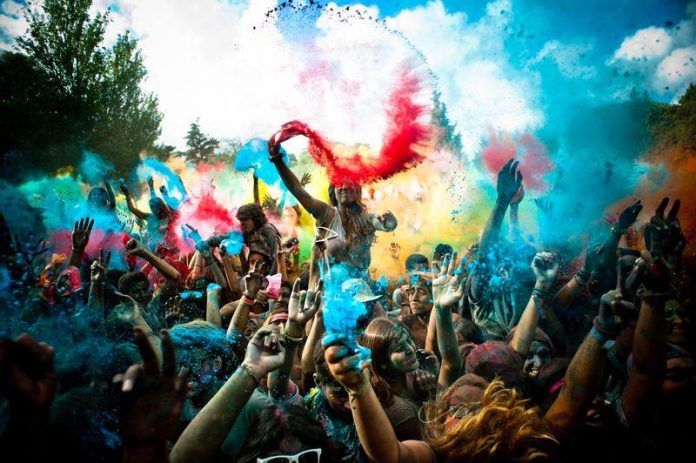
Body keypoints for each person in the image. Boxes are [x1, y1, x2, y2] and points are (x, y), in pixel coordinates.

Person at [269, 121, 397, 287]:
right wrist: (277, 160)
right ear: (333, 190)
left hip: (362, 293)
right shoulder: (326, 214)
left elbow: (387, 225)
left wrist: (389, 221)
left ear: (357, 190)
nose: (345, 187)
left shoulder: (367, 218)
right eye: (339, 183)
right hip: (330, 294)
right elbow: (297, 189)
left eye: (350, 183)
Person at [236, 203, 282, 274]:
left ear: (254, 218)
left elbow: (277, 258)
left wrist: (270, 278)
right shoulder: (249, 232)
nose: (242, 223)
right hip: (256, 273)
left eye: (245, 219)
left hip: (270, 274)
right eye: (240, 220)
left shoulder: (267, 230)